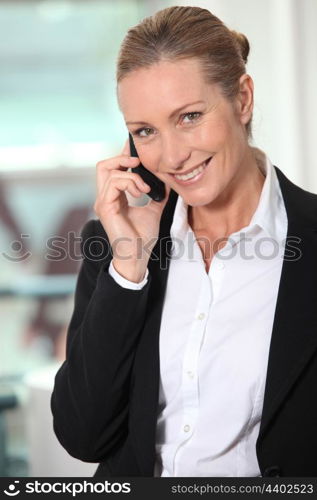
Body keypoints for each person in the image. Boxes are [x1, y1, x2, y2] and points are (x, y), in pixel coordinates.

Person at [51, 6, 317, 477]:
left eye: (190, 116)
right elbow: (83, 436)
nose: (171, 156)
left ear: (243, 98)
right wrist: (128, 271)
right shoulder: (114, 244)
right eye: (145, 131)